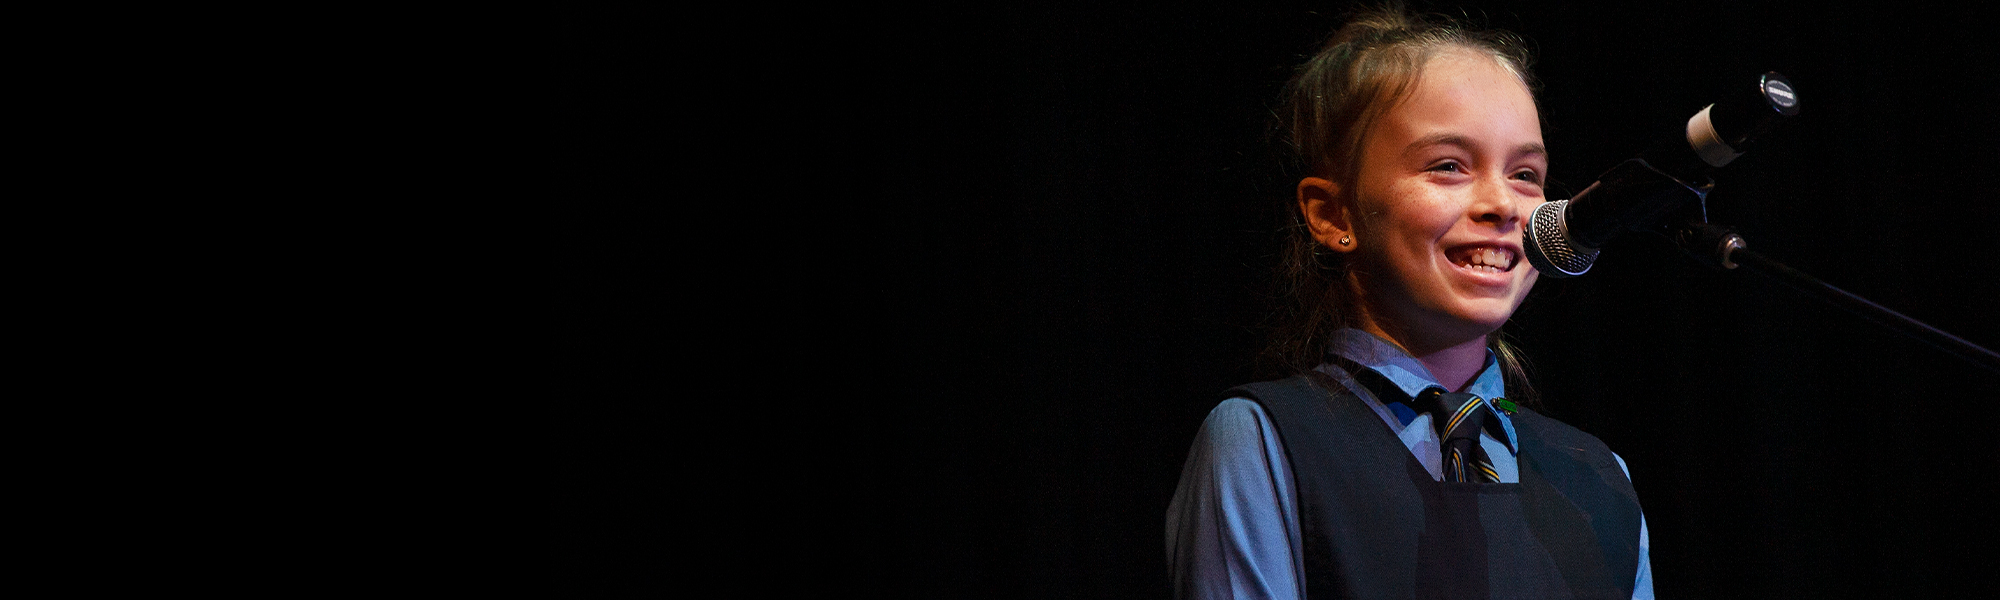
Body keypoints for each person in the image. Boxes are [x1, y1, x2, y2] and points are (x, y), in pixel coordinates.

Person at [1166, 6, 1653, 600]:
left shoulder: (1599, 478)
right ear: (1334, 215)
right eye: (1448, 166)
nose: (1503, 204)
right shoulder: (1266, 441)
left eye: (1526, 174)